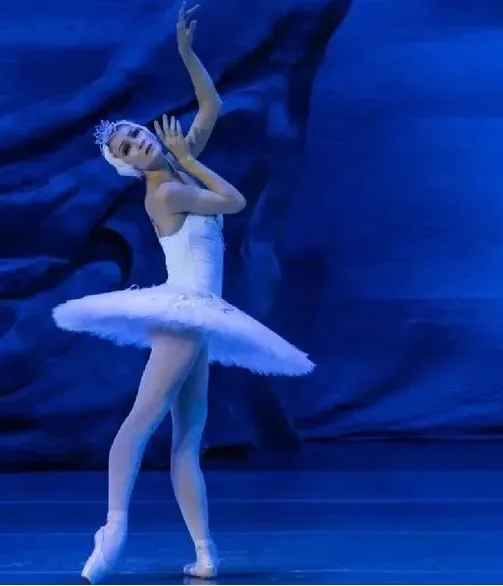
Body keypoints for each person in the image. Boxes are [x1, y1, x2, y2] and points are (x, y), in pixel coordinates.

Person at [52, 3, 314, 583]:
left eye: (135, 133)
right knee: (139, 424)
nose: (138, 142)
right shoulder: (166, 191)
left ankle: (205, 552)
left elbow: (211, 106)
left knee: (188, 439)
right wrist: (192, 160)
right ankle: (112, 533)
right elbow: (233, 202)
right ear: (125, 165)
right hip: (182, 312)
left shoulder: (178, 167)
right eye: (126, 147)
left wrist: (187, 55)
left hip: (203, 313)